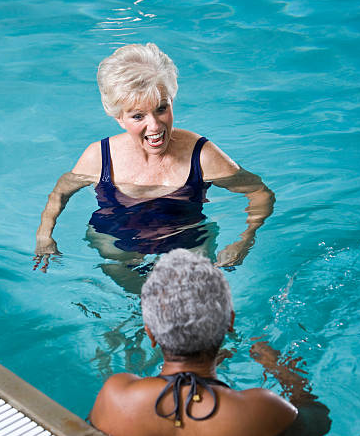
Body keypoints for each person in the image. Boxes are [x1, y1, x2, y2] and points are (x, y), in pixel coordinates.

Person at [34, 43, 275, 289]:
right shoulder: (99, 157)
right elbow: (61, 192)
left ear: (172, 100)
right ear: (118, 117)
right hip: (116, 242)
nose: (155, 126)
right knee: (139, 308)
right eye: (138, 116)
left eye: (162, 109)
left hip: (186, 239)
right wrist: (44, 236)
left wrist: (245, 240)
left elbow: (259, 192)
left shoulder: (201, 156)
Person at [90, 249, 331, 436]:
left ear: (150, 333)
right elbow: (319, 424)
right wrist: (283, 371)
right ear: (230, 323)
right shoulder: (262, 410)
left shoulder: (116, 396)